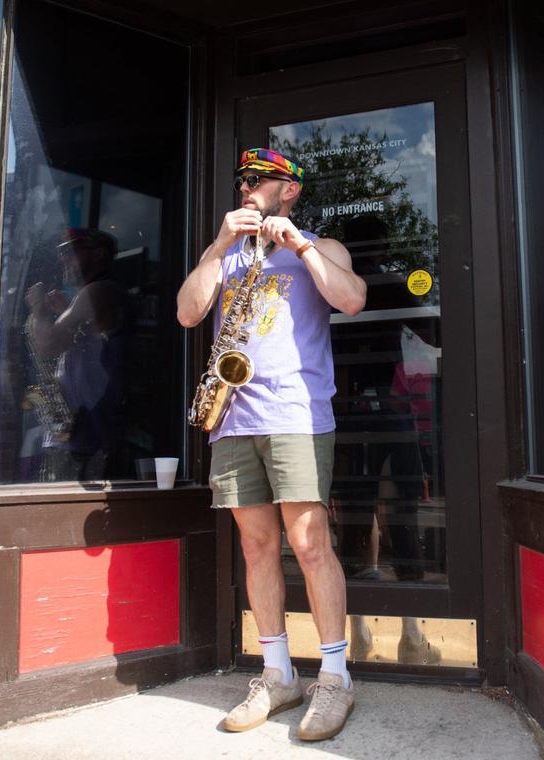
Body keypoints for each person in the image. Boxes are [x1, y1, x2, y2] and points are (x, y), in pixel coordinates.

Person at [177, 148, 367, 741]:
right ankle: (277, 673)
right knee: (257, 547)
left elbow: (353, 299)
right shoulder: (226, 254)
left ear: (289, 192)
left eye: (257, 181)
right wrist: (214, 248)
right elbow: (188, 314)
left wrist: (303, 249)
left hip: (296, 416)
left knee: (310, 544)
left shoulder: (321, 246)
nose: (245, 188)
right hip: (234, 418)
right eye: (241, 181)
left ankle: (334, 677)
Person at [26, 228, 128, 481]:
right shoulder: (93, 295)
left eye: (70, 252)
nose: (64, 260)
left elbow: (48, 345)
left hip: (88, 435)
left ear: (98, 254)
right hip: (81, 432)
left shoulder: (98, 290)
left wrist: (39, 310)